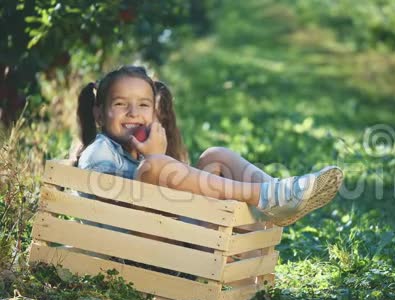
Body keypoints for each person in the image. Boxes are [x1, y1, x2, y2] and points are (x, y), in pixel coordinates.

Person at [74, 65, 343, 227]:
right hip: (137, 255)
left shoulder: (137, 154)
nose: (133, 112)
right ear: (99, 114)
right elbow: (122, 216)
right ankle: (268, 195)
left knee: (216, 157)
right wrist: (155, 158)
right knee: (156, 166)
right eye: (121, 104)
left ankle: (276, 199)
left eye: (143, 105)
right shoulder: (99, 154)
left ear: (154, 112)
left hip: (169, 243)